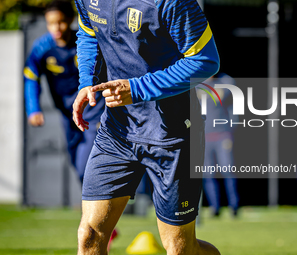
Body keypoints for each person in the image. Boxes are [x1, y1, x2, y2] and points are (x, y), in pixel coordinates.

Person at [73, 0, 220, 254]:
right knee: (89, 235)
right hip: (117, 131)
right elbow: (88, 29)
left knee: (179, 248)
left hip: (172, 134)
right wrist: (87, 79)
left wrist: (138, 88)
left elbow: (205, 60)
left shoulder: (171, 2)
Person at [23, 0, 118, 250]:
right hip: (69, 117)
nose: (57, 27)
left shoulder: (85, 42)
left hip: (94, 114)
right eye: (51, 23)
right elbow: (30, 77)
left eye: (62, 22)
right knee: (78, 166)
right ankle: (103, 220)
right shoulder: (42, 48)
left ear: (70, 20)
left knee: (89, 164)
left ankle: (102, 223)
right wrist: (33, 109)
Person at [200, 73, 239, 217]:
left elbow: (232, 104)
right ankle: (214, 207)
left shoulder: (225, 82)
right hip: (205, 136)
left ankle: (234, 207)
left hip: (223, 135)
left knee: (228, 171)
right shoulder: (198, 84)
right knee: (208, 174)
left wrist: (231, 132)